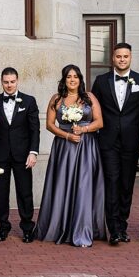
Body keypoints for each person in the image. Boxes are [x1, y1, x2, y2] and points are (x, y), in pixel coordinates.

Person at [37, 65, 106, 247]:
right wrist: (67, 135)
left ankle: (82, 229)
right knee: (62, 184)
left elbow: (99, 122)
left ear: (80, 79)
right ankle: (60, 226)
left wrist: (83, 129)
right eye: (69, 77)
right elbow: (50, 125)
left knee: (84, 186)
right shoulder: (57, 99)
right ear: (64, 79)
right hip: (64, 147)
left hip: (86, 146)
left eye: (75, 76)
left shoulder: (89, 98)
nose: (72, 80)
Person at [91, 41, 139, 245]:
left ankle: (122, 225)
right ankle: (114, 230)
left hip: (131, 141)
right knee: (111, 181)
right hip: (107, 141)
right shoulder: (100, 81)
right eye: (118, 56)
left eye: (125, 56)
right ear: (113, 58)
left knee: (127, 184)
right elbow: (93, 111)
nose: (122, 59)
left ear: (130, 57)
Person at [0, 67, 38, 242]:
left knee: (25, 191)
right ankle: (3, 226)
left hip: (23, 154)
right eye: (6, 82)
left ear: (17, 81)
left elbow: (35, 129)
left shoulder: (29, 101)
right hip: (1, 155)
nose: (9, 85)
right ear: (1, 82)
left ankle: (27, 227)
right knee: (1, 192)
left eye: (12, 82)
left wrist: (33, 152)